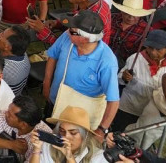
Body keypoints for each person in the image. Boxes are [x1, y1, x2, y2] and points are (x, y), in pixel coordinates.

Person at [43, 10, 119, 140]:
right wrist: (46, 83)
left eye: (72, 31)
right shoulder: (67, 37)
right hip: (54, 103)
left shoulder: (107, 61)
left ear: (85, 38)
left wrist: (101, 129)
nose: (68, 32)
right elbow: (53, 56)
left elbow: (113, 101)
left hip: (81, 119)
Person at [114, 30, 166, 132]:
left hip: (152, 113)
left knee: (141, 141)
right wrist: (124, 77)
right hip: (129, 108)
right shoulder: (135, 59)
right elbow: (119, 80)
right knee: (119, 136)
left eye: (158, 49)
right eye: (150, 48)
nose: (153, 52)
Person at [0, 95, 53, 161]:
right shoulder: (6, 115)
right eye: (8, 110)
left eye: (10, 115)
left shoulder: (44, 140)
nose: (5, 113)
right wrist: (12, 144)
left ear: (23, 125)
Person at [28, 106, 108, 163]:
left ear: (85, 135)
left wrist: (69, 157)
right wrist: (36, 150)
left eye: (73, 133)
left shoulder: (98, 157)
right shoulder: (48, 145)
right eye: (62, 131)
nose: (66, 136)